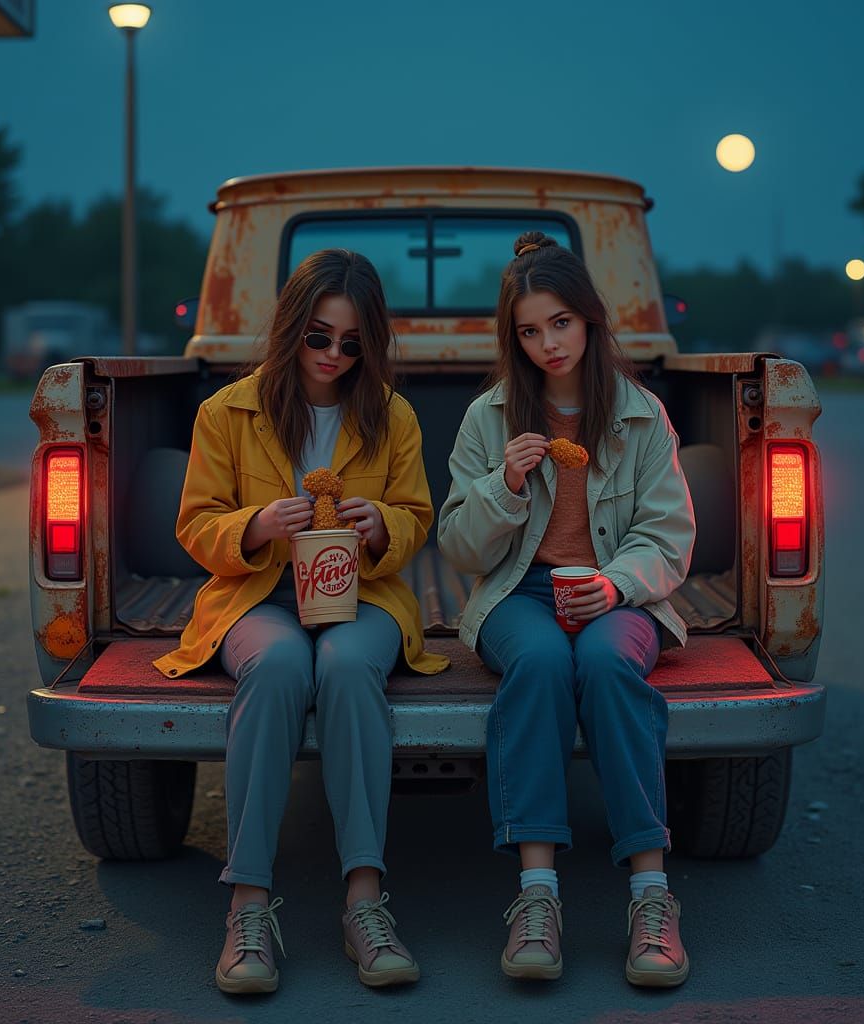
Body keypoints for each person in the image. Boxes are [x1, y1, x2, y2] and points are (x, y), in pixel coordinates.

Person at [155, 249, 449, 995]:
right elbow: (195, 526)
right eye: (319, 337)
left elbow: (419, 519)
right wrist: (256, 524)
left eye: (352, 344)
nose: (332, 356)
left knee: (349, 667)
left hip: (364, 598)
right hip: (256, 598)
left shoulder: (392, 413)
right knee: (279, 666)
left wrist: (378, 523)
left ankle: (364, 902)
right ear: (291, 327)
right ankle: (248, 905)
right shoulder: (227, 411)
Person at [437, 231, 696, 987]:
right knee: (545, 661)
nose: (548, 343)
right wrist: (503, 489)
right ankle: (537, 896)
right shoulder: (491, 419)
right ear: (512, 338)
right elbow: (456, 544)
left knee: (609, 662)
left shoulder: (642, 414)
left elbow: (668, 536)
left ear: (588, 320)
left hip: (620, 589)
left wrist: (615, 585)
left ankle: (652, 896)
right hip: (521, 591)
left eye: (560, 323)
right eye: (529, 330)